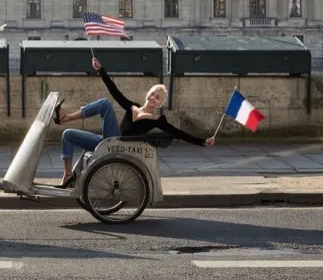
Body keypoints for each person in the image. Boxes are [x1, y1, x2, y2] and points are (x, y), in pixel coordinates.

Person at [52, 57, 215, 188]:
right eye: (152, 94)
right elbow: (115, 92)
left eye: (157, 97)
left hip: (120, 146)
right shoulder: (133, 107)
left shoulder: (158, 120)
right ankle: (68, 175)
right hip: (106, 142)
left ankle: (65, 118)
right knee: (67, 135)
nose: (153, 98)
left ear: (160, 103)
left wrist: (202, 142)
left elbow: (178, 133)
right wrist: (101, 70)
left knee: (104, 104)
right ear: (147, 95)